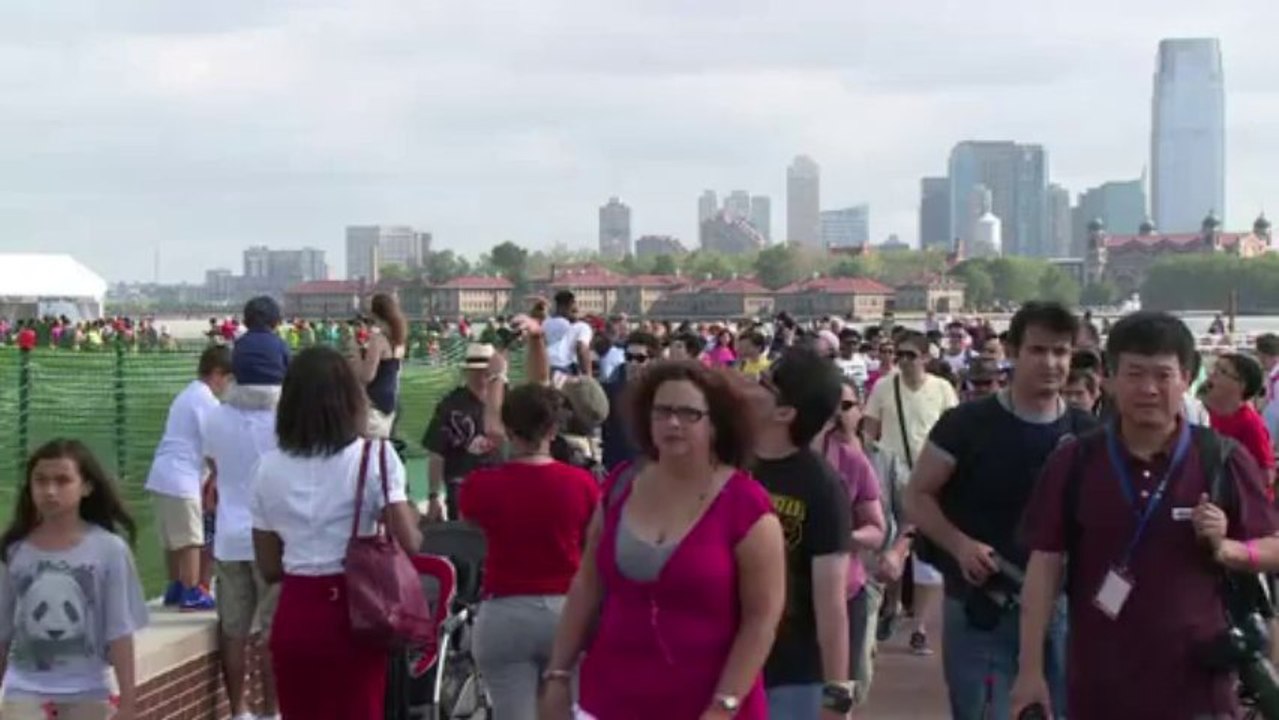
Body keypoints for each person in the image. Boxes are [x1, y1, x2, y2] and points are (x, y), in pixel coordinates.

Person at [1013, 311, 1279, 719]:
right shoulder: (1076, 460)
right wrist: (1030, 671)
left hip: (1199, 689)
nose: (1149, 389)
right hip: (1099, 687)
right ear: (1109, 378)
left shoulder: (1220, 458)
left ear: (1187, 378)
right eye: (1134, 374)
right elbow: (1044, 563)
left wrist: (1229, 551)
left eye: (1163, 375)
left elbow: (1271, 547)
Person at [541, 361, 785, 720]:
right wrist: (557, 675)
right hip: (610, 700)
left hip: (705, 706)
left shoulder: (747, 506)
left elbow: (761, 620)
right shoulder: (621, 486)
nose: (673, 423)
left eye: (689, 414)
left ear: (715, 424)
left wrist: (724, 705)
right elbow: (587, 585)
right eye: (663, 412)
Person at [904, 301, 1094, 719]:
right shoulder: (966, 424)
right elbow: (917, 495)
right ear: (1011, 352)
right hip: (982, 608)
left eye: (1061, 352)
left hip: (1062, 612)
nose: (1051, 363)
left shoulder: (1088, 433)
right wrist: (959, 545)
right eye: (1038, 350)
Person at [251, 346, 422, 720]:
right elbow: (410, 541)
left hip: (295, 609)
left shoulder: (267, 468)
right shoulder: (375, 457)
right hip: (357, 610)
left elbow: (268, 565)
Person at [459, 384, 600, 720]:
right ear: (553, 429)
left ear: (507, 429)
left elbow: (469, 520)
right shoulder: (582, 484)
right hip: (567, 609)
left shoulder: (482, 485)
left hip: (504, 612)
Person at [743, 347, 856, 717]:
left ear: (785, 413)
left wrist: (837, 697)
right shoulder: (728, 465)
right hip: (727, 661)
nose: (750, 386)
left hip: (792, 675)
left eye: (764, 384)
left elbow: (832, 604)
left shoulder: (821, 488)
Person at [0, 439, 148, 720]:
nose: (50, 490)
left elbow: (119, 630)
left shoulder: (110, 550)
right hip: (23, 693)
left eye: (62, 480)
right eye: (41, 481)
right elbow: (2, 630)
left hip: (88, 693)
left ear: (87, 487)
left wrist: (128, 703)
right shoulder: (14, 550)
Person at [205, 331, 288, 720]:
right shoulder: (283, 420)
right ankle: (271, 711)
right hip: (271, 539)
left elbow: (215, 471)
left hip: (228, 538)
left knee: (234, 631)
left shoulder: (217, 415)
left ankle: (238, 710)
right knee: (272, 635)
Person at [864, 329, 959, 655]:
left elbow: (952, 433)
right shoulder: (883, 386)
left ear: (926, 358)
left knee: (928, 554)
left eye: (910, 355)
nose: (903, 360)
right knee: (891, 543)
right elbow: (870, 431)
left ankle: (920, 626)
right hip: (892, 474)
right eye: (899, 354)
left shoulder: (942, 389)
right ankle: (891, 605)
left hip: (930, 476)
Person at [813, 379, 887, 708]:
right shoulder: (775, 458)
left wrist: (842, 538)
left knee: (838, 693)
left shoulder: (855, 461)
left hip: (845, 592)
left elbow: (876, 528)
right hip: (788, 598)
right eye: (830, 406)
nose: (836, 415)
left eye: (846, 406)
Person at [145, 345, 231, 611]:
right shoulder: (206, 400)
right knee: (192, 539)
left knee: (173, 539)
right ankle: (192, 590)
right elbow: (211, 445)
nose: (228, 387)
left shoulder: (187, 394)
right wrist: (220, 474)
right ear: (217, 374)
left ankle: (176, 586)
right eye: (229, 379)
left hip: (162, 475)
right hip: (182, 477)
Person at [421, 343, 501, 521]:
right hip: (461, 484)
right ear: (467, 372)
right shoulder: (450, 405)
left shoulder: (506, 400)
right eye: (478, 370)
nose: (483, 375)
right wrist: (434, 496)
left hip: (499, 484)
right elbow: (436, 452)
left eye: (487, 370)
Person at [1204, 352, 1276, 495]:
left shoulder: (1250, 423)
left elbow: (1267, 475)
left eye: (1222, 371)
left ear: (1241, 385)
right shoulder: (1200, 412)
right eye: (1214, 368)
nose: (1212, 374)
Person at [600, 330, 662, 472]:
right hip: (616, 466)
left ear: (653, 361)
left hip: (650, 467)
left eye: (640, 358)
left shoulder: (661, 394)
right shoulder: (610, 390)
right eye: (628, 357)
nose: (633, 363)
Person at [350, 293, 408, 439]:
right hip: (391, 403)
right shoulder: (399, 341)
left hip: (373, 404)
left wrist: (355, 353)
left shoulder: (378, 340)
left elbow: (367, 376)